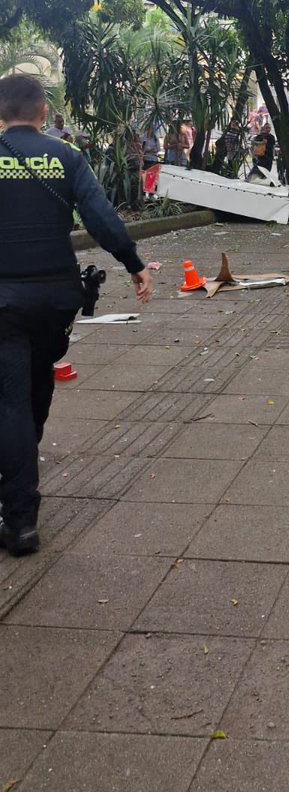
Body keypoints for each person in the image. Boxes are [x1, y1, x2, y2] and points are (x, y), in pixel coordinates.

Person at [0, 74, 152, 555]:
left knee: (11, 402)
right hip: (56, 300)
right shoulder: (67, 157)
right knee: (34, 388)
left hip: (4, 301)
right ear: (44, 113)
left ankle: (21, 519)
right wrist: (133, 264)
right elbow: (101, 217)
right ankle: (19, 468)